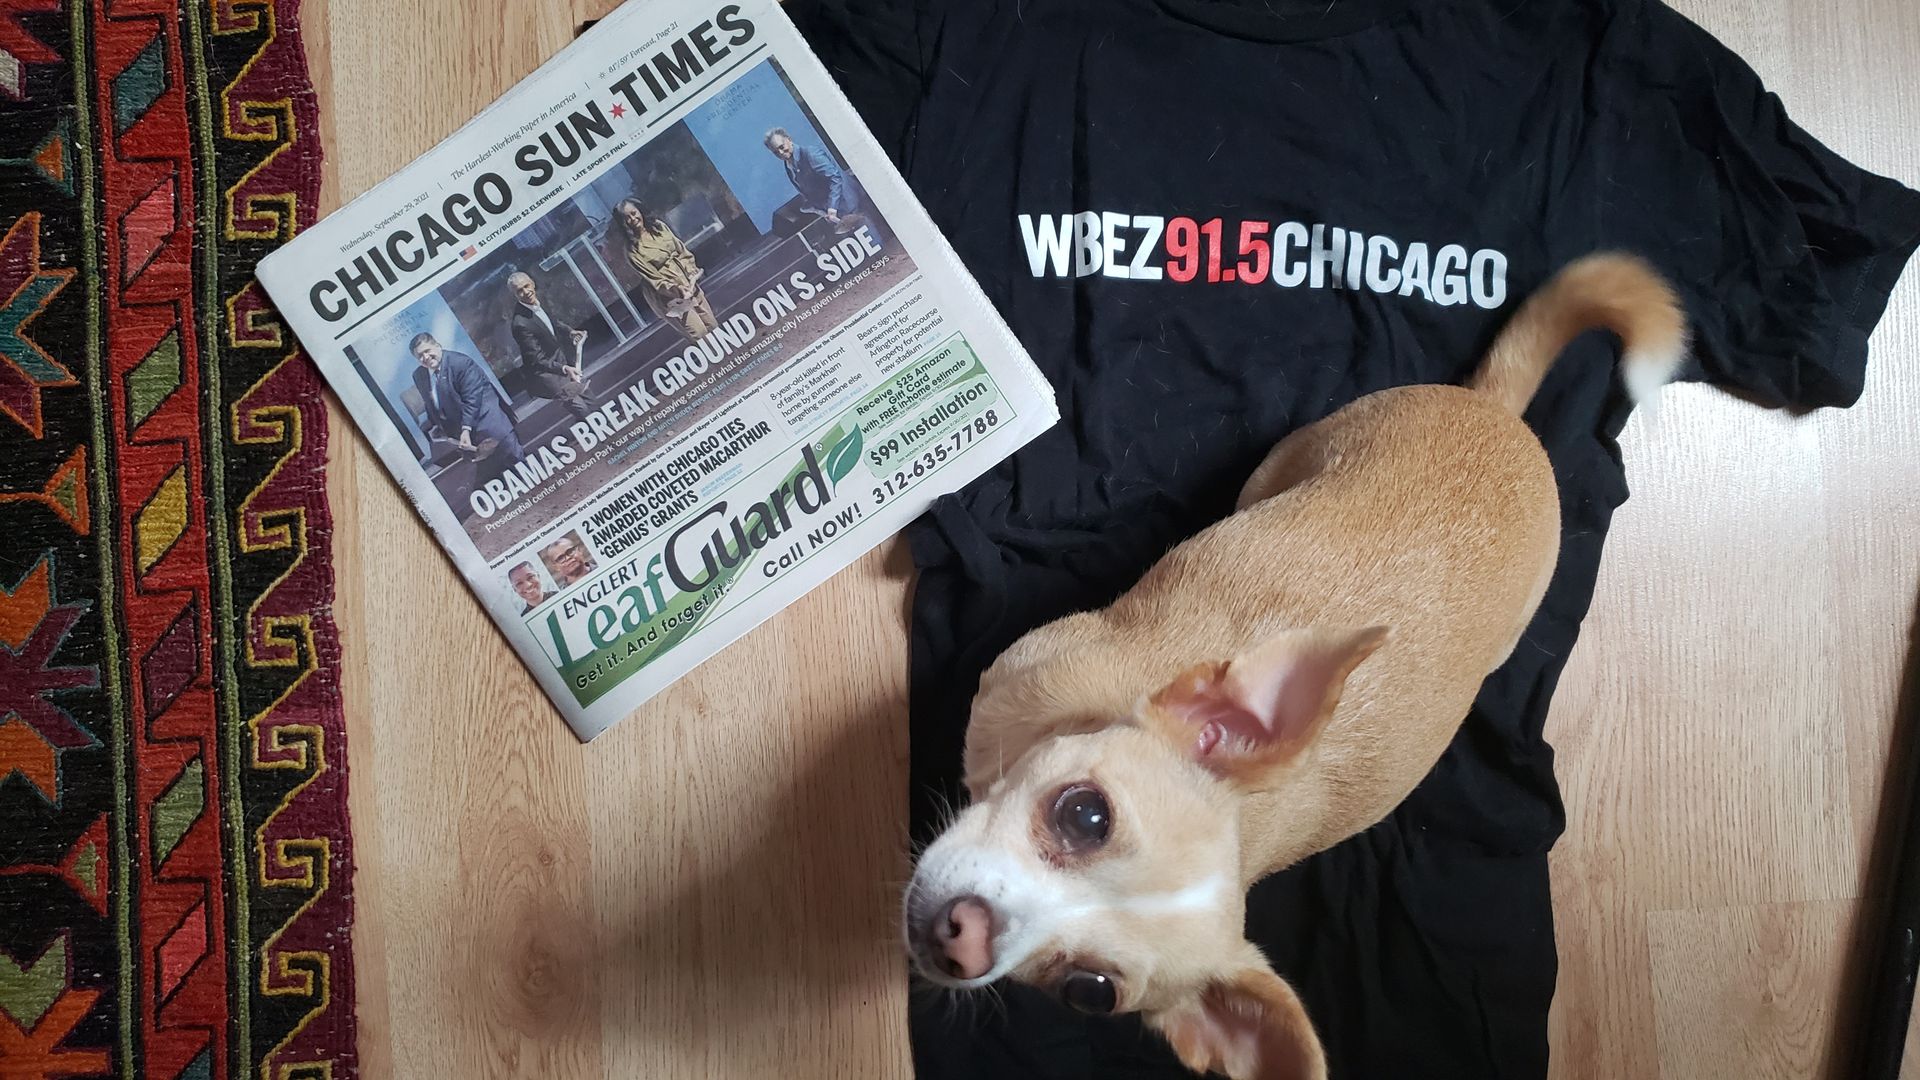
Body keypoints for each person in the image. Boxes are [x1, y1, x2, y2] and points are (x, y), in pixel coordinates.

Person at [409, 332, 525, 487]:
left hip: (491, 428)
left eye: (427, 351)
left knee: (523, 473)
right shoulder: (419, 375)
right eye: (420, 356)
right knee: (499, 486)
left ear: (437, 346)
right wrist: (437, 426)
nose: (426, 357)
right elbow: (431, 403)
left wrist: (465, 429)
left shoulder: (460, 363)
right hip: (467, 443)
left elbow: (472, 399)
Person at [611, 198, 719, 341]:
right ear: (623, 224)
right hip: (669, 296)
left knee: (712, 326)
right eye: (627, 218)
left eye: (634, 213)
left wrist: (691, 270)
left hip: (688, 281)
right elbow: (655, 280)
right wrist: (678, 289)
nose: (633, 219)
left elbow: (681, 250)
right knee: (699, 333)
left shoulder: (659, 227)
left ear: (640, 211)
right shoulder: (632, 251)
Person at [507, 272, 594, 419]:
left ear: (532, 283)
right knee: (582, 409)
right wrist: (564, 369)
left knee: (590, 400)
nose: (526, 292)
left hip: (563, 361)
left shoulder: (538, 301)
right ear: (515, 295)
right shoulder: (520, 324)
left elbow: (551, 322)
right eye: (519, 291)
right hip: (549, 375)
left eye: (526, 286)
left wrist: (570, 331)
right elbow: (536, 359)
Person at [764, 127, 869, 233]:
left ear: (789, 139)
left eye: (782, 147)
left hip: (855, 208)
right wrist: (821, 211)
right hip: (840, 218)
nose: (781, 152)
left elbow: (835, 178)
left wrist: (832, 208)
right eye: (776, 152)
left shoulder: (811, 154)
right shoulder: (788, 167)